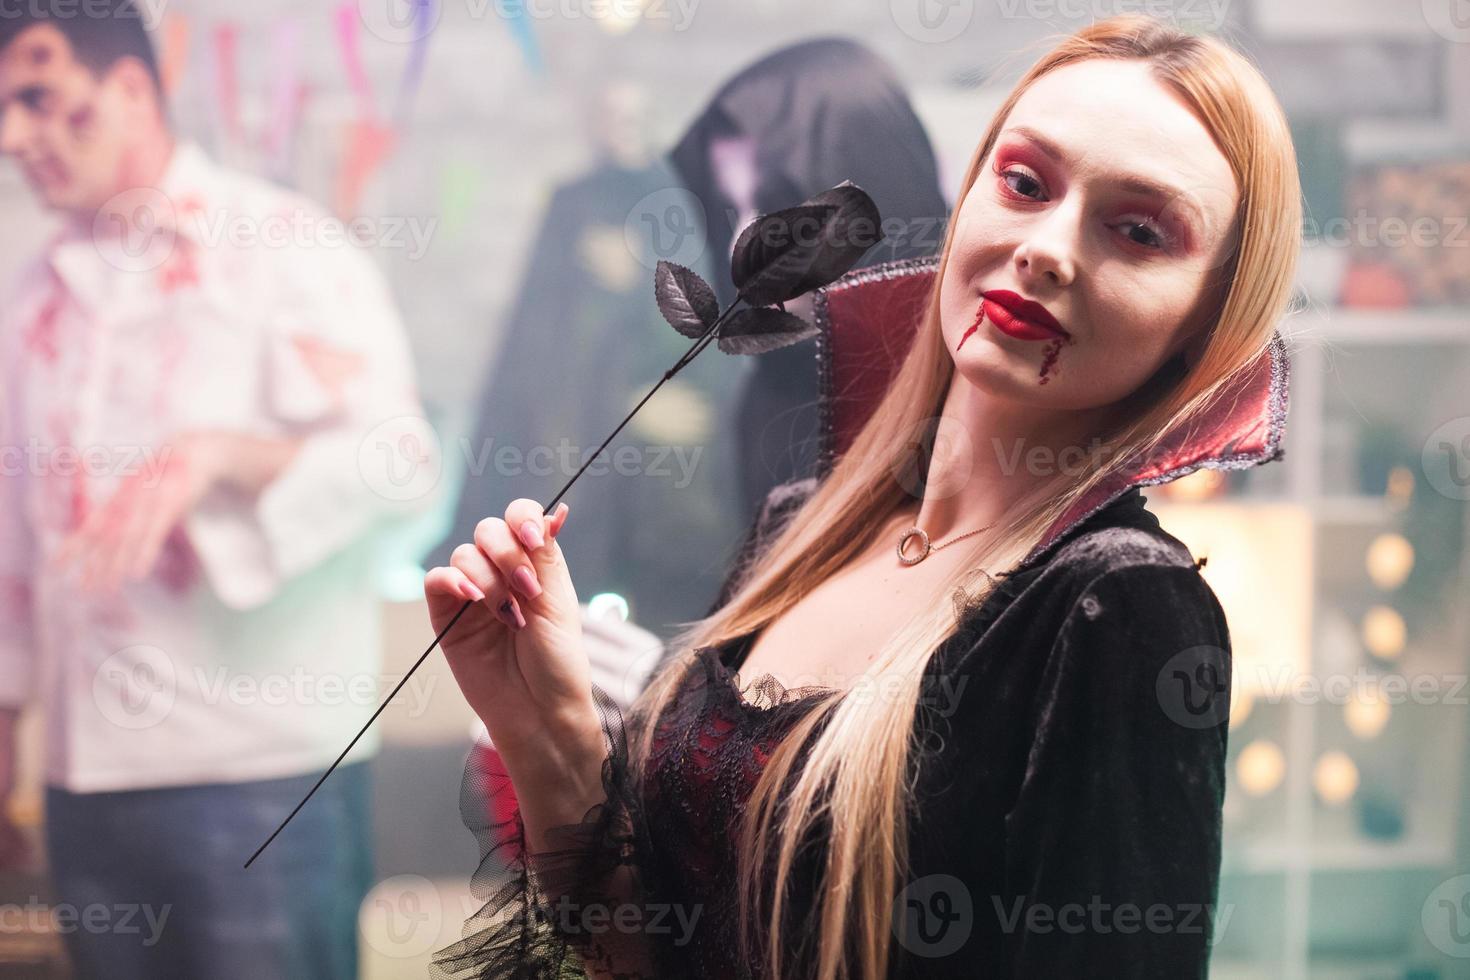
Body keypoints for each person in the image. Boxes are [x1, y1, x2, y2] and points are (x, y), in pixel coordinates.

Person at [424, 14, 1300, 979]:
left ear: (1203, 325)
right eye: (1024, 183)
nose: (1048, 248)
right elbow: (646, 953)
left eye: (1138, 231)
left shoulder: (1116, 605)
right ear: (969, 202)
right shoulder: (798, 528)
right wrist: (544, 730)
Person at [0, 4, 437, 978]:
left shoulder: (282, 244)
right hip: (83, 773)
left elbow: (405, 461)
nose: (10, 136)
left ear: (128, 88)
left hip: (261, 769)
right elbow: (15, 538)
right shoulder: (33, 294)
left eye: (36, 99)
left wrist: (218, 454)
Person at [667, 37, 950, 530]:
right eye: (732, 209)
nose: (743, 242)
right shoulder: (772, 399)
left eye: (777, 204)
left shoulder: (979, 385)